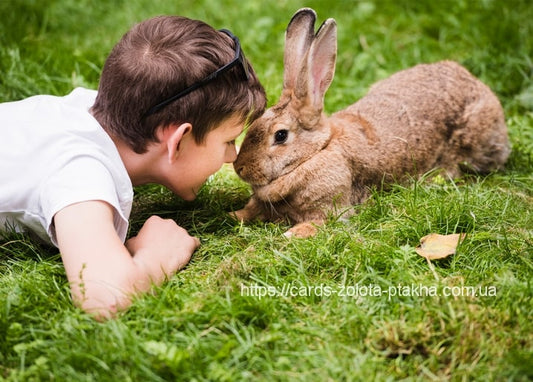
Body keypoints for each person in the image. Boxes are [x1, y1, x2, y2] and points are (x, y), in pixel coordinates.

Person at [0, 15, 266, 319]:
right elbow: (103, 298)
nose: (232, 157)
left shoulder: (88, 113)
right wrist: (157, 257)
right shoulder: (80, 171)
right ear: (177, 141)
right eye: (229, 141)